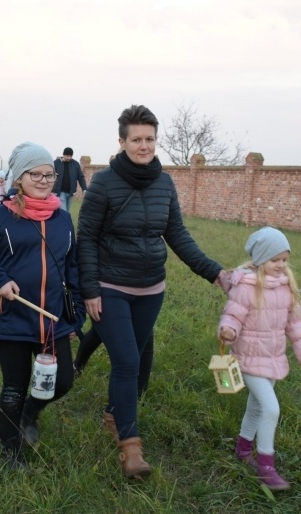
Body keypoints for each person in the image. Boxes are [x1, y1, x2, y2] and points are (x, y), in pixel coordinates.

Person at [77, 104, 224, 480]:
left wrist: (216, 274)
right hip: (110, 286)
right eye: (137, 139)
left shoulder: (165, 183)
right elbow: (87, 239)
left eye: (150, 139)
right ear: (122, 141)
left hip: (150, 288)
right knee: (126, 361)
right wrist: (90, 289)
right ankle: (131, 450)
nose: (144, 146)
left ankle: (114, 413)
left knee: (140, 359)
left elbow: (177, 235)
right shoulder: (104, 184)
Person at [0, 142, 85, 470]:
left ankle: (32, 413)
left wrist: (76, 316)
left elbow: (71, 268)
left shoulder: (62, 219)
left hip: (53, 320)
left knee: (61, 383)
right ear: (19, 177)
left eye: (50, 174)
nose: (45, 180)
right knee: (14, 387)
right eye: (37, 174)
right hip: (13, 318)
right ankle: (10, 450)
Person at [218, 227, 301, 491]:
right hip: (248, 358)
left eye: (285, 260)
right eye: (275, 260)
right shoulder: (246, 287)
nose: (281, 265)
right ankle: (266, 466)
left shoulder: (286, 288)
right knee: (271, 408)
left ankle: (242, 448)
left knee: (256, 407)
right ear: (260, 259)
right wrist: (228, 330)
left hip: (273, 359)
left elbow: (295, 326)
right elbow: (233, 315)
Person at [53, 147, 87, 212]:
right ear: (63, 155)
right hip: (60, 192)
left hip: (71, 192)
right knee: (64, 211)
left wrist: (84, 189)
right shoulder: (56, 163)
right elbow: (50, 176)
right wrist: (52, 190)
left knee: (67, 211)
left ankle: (63, 221)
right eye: (67, 156)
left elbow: (80, 177)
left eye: (70, 156)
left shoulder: (75, 164)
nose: (69, 158)